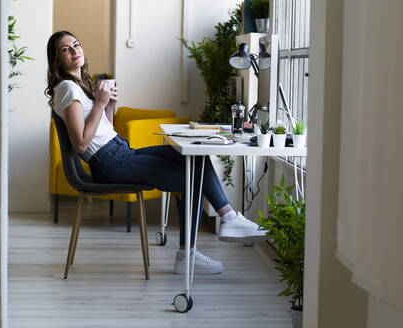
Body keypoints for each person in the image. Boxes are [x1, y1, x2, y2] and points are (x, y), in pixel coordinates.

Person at [45, 31, 267, 275]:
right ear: (57, 60)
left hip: (119, 152)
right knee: (192, 177)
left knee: (194, 156)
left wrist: (108, 106)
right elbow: (81, 145)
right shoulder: (66, 88)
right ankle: (203, 241)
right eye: (65, 49)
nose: (74, 50)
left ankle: (223, 221)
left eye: (76, 44)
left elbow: (102, 130)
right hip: (109, 163)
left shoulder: (79, 86)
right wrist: (99, 103)